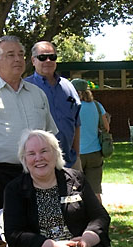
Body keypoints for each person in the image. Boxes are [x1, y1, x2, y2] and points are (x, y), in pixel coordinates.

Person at [0, 35, 57, 237]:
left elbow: (50, 137)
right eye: (10, 55)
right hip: (1, 176)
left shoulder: (37, 94)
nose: (18, 59)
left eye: (20, 54)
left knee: (48, 226)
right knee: (8, 231)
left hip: (41, 170)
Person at [25, 41, 82, 170]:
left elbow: (76, 123)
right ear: (33, 60)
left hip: (70, 162)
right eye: (42, 57)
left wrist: (76, 155)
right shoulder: (25, 88)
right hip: (39, 165)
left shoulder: (68, 86)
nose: (48, 60)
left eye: (52, 57)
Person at [70, 78, 110, 203]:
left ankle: (80, 219)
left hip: (76, 154)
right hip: (95, 152)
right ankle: (99, 218)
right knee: (95, 190)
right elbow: (106, 128)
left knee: (76, 190)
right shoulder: (97, 106)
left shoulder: (70, 107)